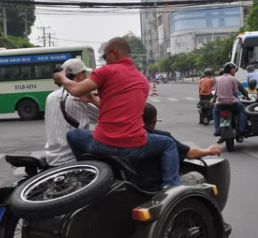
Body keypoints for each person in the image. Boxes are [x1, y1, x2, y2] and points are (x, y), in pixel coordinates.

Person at [58, 37, 182, 188]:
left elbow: (76, 90)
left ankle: (88, 176)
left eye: (105, 56)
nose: (104, 60)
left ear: (115, 53)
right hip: (135, 147)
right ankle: (171, 185)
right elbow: (117, 109)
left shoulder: (105, 71)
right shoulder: (142, 80)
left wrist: (62, 78)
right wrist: (91, 99)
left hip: (101, 145)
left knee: (73, 134)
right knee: (168, 144)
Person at [138, 103, 222, 190]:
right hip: (157, 189)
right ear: (154, 120)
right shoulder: (163, 138)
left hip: (134, 188)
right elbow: (190, 153)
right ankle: (172, 187)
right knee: (198, 177)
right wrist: (208, 150)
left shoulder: (126, 139)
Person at [44, 59, 100, 166]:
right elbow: (107, 115)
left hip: (52, 157)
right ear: (79, 75)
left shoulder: (50, 96)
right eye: (85, 73)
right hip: (73, 158)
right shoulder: (81, 97)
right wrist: (93, 98)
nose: (87, 77)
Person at [213, 62, 248, 136]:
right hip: (232, 103)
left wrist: (214, 101)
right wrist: (237, 100)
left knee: (215, 111)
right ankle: (242, 129)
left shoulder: (218, 79)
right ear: (230, 69)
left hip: (220, 103)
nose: (235, 70)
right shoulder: (233, 79)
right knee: (243, 110)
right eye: (234, 69)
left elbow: (216, 93)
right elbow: (235, 93)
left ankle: (217, 129)